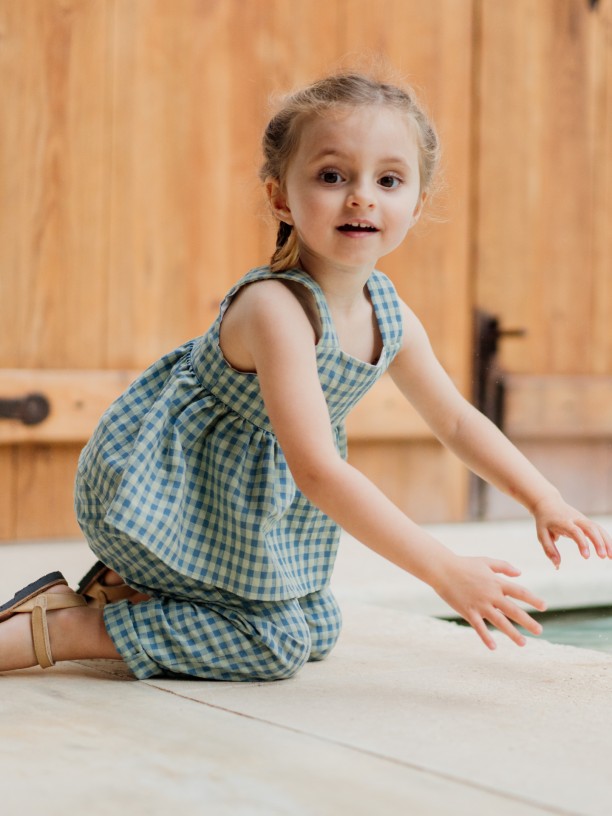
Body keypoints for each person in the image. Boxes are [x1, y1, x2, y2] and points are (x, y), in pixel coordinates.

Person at [1, 72, 610, 678]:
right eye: (331, 176)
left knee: (318, 626)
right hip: (167, 489)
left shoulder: (388, 313)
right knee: (273, 646)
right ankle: (61, 628)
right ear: (281, 199)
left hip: (240, 500)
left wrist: (542, 497)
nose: (362, 197)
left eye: (389, 180)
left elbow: (453, 418)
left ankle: (129, 592)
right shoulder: (276, 308)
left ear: (417, 204)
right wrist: (443, 569)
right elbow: (317, 469)